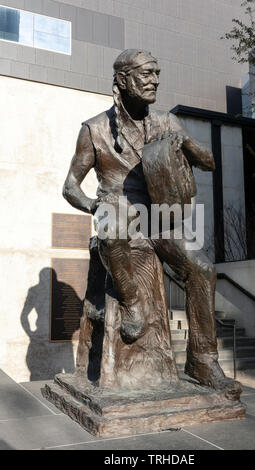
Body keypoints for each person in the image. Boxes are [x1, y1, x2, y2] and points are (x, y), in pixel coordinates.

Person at [63, 49, 241, 394]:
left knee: (202, 268)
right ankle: (131, 304)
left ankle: (203, 361)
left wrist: (186, 142)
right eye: (146, 74)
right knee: (111, 229)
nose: (154, 80)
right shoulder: (95, 129)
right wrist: (93, 206)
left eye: (156, 73)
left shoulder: (166, 121)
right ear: (123, 80)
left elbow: (210, 162)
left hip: (160, 217)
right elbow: (70, 186)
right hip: (117, 211)